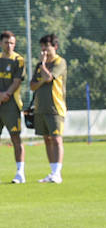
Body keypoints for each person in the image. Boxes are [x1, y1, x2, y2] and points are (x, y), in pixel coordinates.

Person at [29, 34, 64, 184]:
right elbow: (32, 86)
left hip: (55, 107)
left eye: (47, 46)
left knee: (56, 139)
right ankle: (52, 172)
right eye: (42, 46)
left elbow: (49, 78)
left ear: (55, 46)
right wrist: (42, 74)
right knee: (47, 139)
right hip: (40, 108)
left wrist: (43, 67)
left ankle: (58, 173)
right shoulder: (39, 65)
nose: (44, 50)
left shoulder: (60, 62)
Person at [0, 30, 24, 183]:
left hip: (11, 104)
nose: (9, 45)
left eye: (12, 43)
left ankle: (20, 173)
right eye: (6, 42)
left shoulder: (18, 60)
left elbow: (17, 81)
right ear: (1, 43)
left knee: (15, 138)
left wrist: (5, 94)